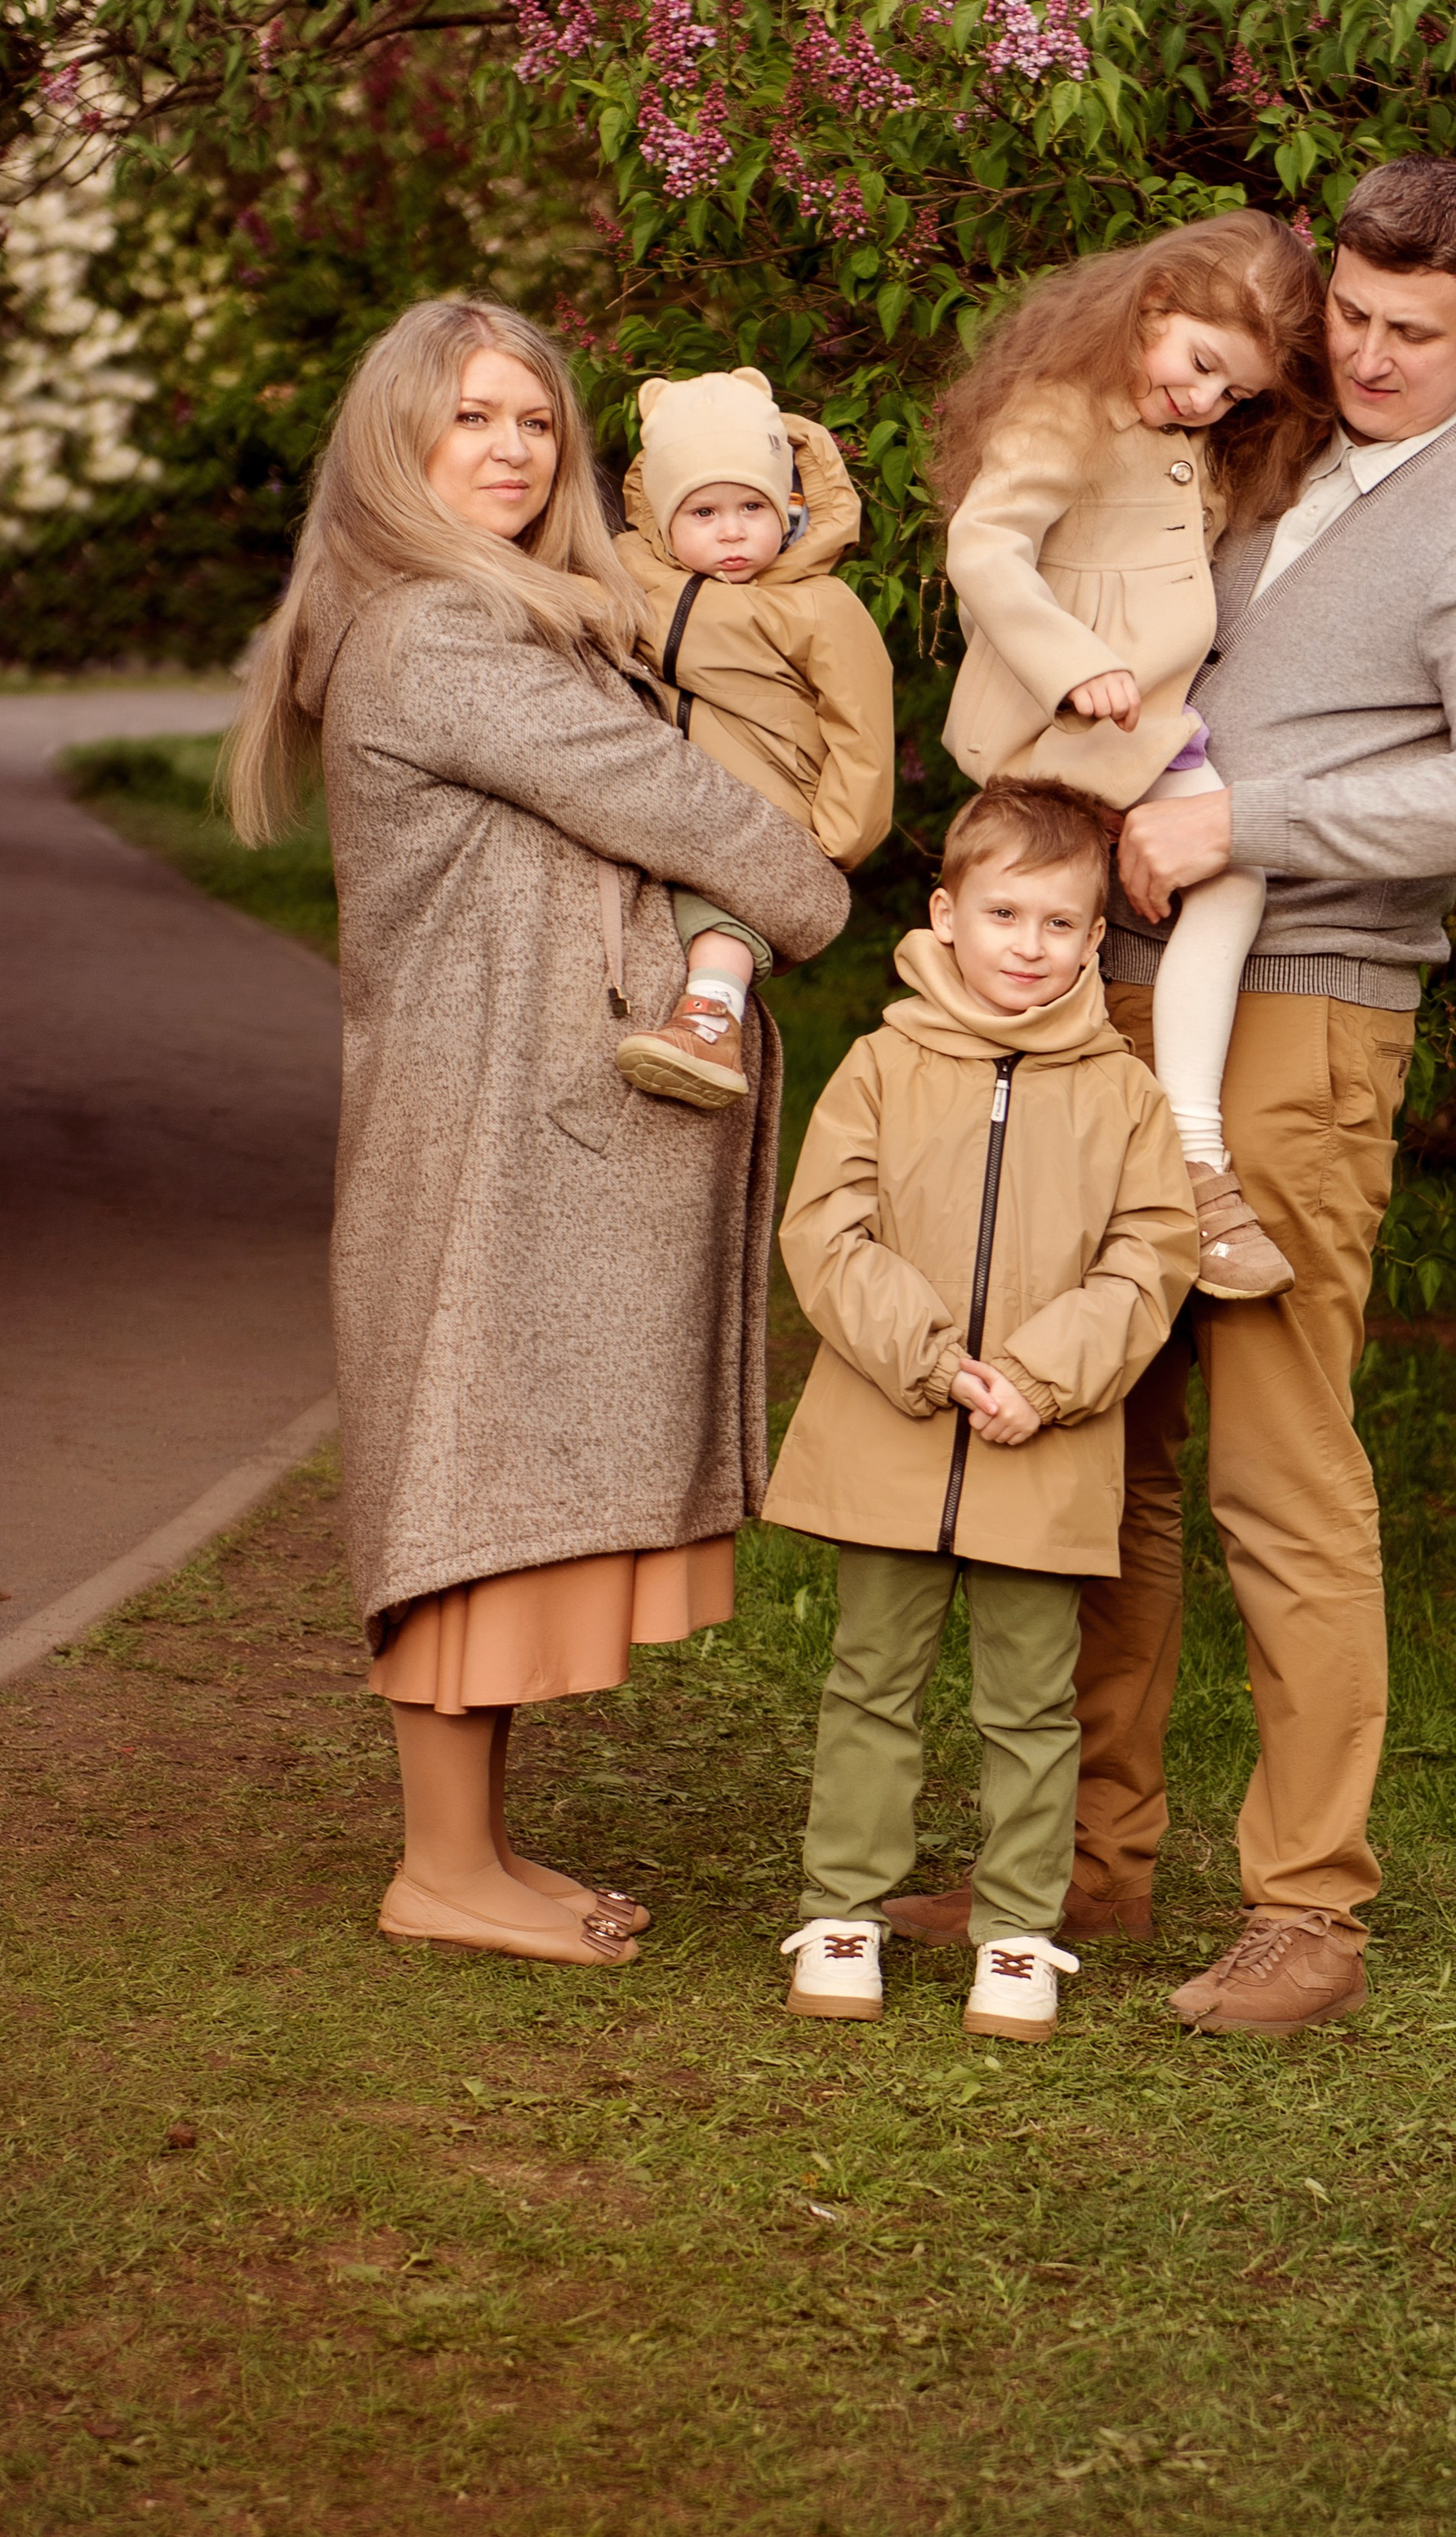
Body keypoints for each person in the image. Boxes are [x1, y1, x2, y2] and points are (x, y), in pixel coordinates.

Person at [888, 155, 1456, 2035]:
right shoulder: (1271, 441)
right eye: (1344, 313)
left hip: (1303, 1009)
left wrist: (1244, 818)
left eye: (1410, 332)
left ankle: (1306, 1908)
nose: (1363, 354)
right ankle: (1080, 1860)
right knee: (1093, 1440)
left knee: (1276, 1467)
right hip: (1113, 988)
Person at [224, 298, 848, 1967]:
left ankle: (475, 1850)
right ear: (396, 441)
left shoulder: (514, 615)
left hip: (509, 1104)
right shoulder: (440, 632)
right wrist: (804, 884)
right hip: (482, 1112)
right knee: (463, 1465)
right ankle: (441, 1867)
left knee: (491, 1460)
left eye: (533, 421)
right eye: (469, 417)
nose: (508, 449)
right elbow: (667, 798)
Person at [761, 778, 1198, 2044]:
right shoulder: (881, 1064)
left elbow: (1151, 1254)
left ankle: (1016, 1928)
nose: (1029, 944)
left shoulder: (1123, 1091)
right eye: (1004, 913)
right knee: (870, 1681)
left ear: (1096, 936)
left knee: (1033, 1702)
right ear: (947, 914)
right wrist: (934, 1359)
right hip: (892, 1430)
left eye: (1060, 923)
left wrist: (1042, 1378)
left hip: (1043, 1447)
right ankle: (842, 1910)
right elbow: (825, 1228)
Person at [934, 210, 1330, 1305]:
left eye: (1234, 393)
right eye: (1200, 365)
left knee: (1224, 877)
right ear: (1151, 307)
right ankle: (1052, 1146)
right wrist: (1072, 663)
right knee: (1045, 917)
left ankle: (1184, 1147)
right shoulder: (1065, 408)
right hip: (1068, 728)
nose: (1206, 401)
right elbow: (985, 546)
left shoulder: (1182, 443)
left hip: (1141, 733)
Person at [610, 366, 894, 1109]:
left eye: (752, 507)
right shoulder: (634, 575)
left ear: (787, 508)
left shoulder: (818, 605)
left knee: (721, 907)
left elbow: (862, 728)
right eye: (703, 511)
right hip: (670, 797)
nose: (732, 530)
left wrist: (833, 842)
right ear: (663, 520)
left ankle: (711, 1022)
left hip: (770, 803)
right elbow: (578, 604)